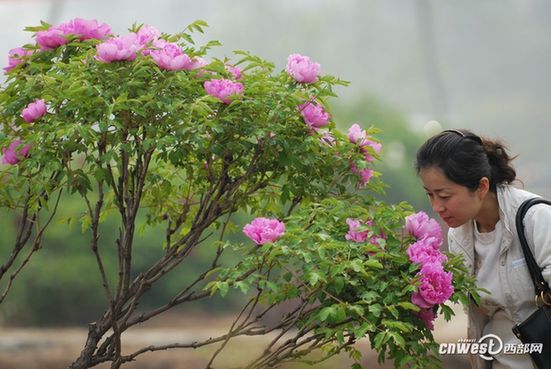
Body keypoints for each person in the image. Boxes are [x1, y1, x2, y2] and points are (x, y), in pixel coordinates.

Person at [415, 129, 551, 369]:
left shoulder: (536, 220)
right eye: (430, 195)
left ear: (481, 186)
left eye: (444, 196)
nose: (436, 207)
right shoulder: (459, 236)